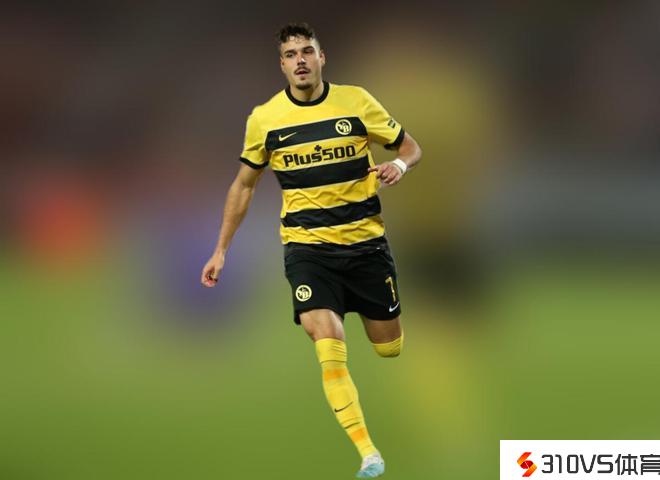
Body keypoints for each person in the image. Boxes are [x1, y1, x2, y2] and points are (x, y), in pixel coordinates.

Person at [201, 22, 422, 478]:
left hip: (366, 246)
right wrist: (221, 249)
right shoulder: (265, 119)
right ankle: (368, 453)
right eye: (290, 54)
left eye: (306, 51)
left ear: (322, 58)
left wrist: (399, 165)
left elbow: (410, 147)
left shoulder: (356, 102)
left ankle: (374, 326)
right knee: (327, 341)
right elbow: (244, 186)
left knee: (389, 348)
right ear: (281, 65)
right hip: (308, 250)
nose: (299, 60)